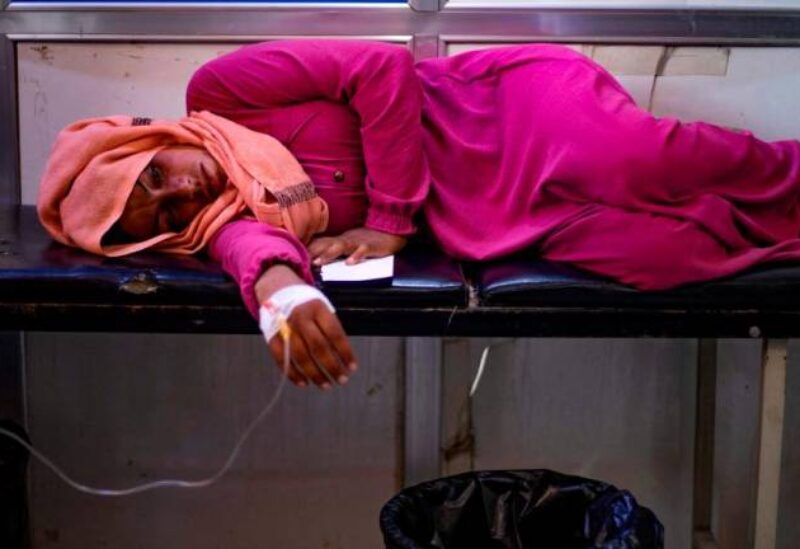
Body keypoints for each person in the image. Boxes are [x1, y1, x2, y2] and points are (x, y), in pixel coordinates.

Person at [38, 40, 800, 390]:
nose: (183, 193)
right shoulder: (220, 222)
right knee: (661, 253)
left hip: (498, 113)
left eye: (157, 175)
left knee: (646, 162)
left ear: (146, 136)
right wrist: (284, 296)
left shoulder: (225, 93)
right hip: (487, 217)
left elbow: (381, 67)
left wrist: (393, 216)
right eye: (161, 214)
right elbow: (252, 253)